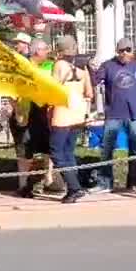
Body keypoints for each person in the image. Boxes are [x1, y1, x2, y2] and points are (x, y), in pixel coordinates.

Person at [98, 38, 136, 193]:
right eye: (121, 50)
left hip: (134, 114)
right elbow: (94, 80)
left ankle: (133, 182)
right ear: (117, 51)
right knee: (107, 149)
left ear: (132, 51)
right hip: (113, 114)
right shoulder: (107, 65)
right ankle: (106, 182)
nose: (124, 53)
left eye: (128, 50)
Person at [50, 37, 93, 204]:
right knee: (68, 152)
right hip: (78, 114)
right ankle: (73, 188)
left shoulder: (59, 65)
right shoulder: (83, 67)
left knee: (56, 153)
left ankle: (75, 187)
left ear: (59, 50)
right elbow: (89, 93)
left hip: (62, 114)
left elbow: (53, 90)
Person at [11, 39, 54, 198]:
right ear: (37, 51)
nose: (48, 52)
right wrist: (15, 106)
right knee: (25, 152)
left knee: (48, 148)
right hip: (26, 114)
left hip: (43, 113)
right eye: (45, 49)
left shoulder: (49, 66)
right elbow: (11, 88)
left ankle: (47, 179)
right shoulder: (23, 67)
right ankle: (23, 185)